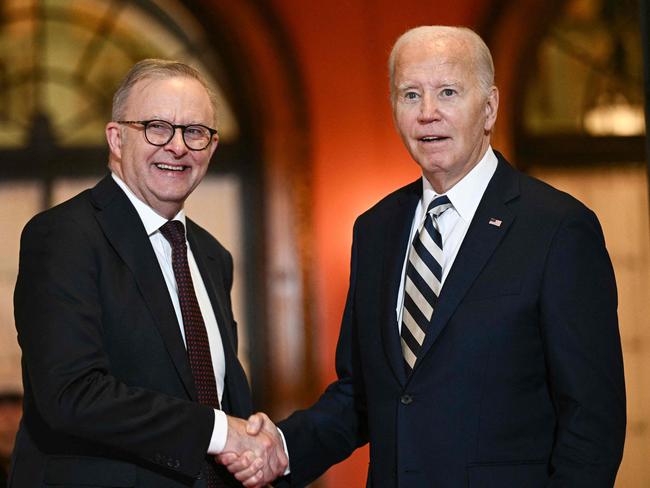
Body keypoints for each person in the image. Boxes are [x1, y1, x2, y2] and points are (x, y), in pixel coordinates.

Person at [224, 25, 627, 487]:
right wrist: (282, 446)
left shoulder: (557, 228)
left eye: (448, 92)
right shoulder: (375, 229)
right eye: (410, 95)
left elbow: (592, 421)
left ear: (489, 107)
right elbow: (362, 396)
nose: (428, 114)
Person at [10, 59, 287, 487]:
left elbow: (214, 393)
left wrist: (255, 442)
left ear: (211, 148)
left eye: (195, 132)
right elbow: (71, 395)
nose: (177, 146)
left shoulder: (213, 257)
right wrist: (220, 432)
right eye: (156, 126)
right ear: (116, 138)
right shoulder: (64, 235)